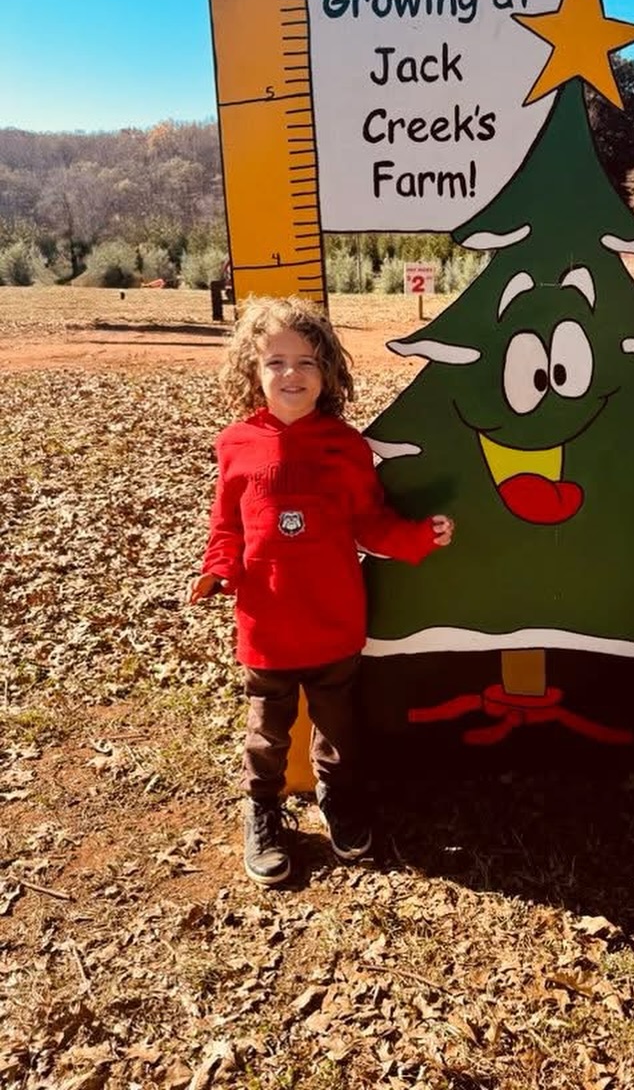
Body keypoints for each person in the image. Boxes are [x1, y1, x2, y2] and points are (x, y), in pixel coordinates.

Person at [188, 295, 453, 886]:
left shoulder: (346, 447)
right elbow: (227, 523)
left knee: (338, 726)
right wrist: (216, 568)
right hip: (266, 621)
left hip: (334, 619)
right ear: (252, 372)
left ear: (328, 373)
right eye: (276, 361)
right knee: (267, 731)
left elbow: (372, 525)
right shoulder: (235, 443)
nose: (291, 374)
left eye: (307, 362)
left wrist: (419, 538)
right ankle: (262, 810)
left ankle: (339, 800)